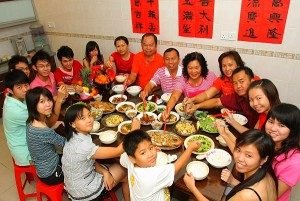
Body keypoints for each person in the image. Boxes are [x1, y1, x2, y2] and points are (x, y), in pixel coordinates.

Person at [184, 129, 277, 201]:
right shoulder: (267, 173)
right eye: (238, 150)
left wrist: (192, 188)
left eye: (248, 155)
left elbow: (248, 195)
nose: (239, 158)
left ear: (264, 159)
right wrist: (233, 181)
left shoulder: (247, 195)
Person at [62, 103, 130, 201]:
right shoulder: (84, 146)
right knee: (125, 168)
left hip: (76, 185)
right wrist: (134, 129)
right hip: (85, 191)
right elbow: (118, 151)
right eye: (82, 118)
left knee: (123, 176)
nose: (89, 120)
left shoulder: (72, 137)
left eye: (89, 115)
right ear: (72, 124)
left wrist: (105, 172)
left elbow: (89, 159)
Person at [120, 126, 200, 201]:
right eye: (143, 153)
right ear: (132, 158)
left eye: (151, 148)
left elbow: (122, 158)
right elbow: (177, 167)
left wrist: (147, 151)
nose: (150, 154)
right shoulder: (150, 176)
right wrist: (190, 148)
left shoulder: (128, 159)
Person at [186, 66, 258, 128]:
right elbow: (217, 101)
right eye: (235, 83)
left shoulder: (260, 97)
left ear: (252, 81)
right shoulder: (238, 96)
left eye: (241, 81)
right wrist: (196, 106)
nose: (238, 86)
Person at [26, 87, 66, 185]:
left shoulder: (31, 121)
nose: (48, 104)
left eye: (49, 100)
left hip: (42, 168)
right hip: (51, 174)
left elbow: (49, 125)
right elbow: (66, 143)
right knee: (81, 162)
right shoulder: (43, 131)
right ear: (33, 105)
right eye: (42, 101)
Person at [162, 52, 217, 120]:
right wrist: (167, 110)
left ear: (202, 67)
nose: (193, 71)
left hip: (209, 114)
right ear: (185, 68)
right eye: (190, 68)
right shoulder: (183, 78)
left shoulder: (210, 76)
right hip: (189, 114)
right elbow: (174, 96)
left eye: (196, 68)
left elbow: (217, 96)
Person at [265, 103, 300, 201]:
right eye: (271, 122)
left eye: (281, 125)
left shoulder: (296, 162)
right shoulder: (268, 142)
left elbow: (271, 196)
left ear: (293, 130)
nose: (273, 129)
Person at [3, 70, 31, 166]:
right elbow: (45, 123)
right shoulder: (15, 110)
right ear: (10, 90)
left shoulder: (15, 97)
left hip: (27, 141)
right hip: (25, 152)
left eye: (26, 85)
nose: (24, 89)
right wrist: (59, 101)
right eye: (19, 87)